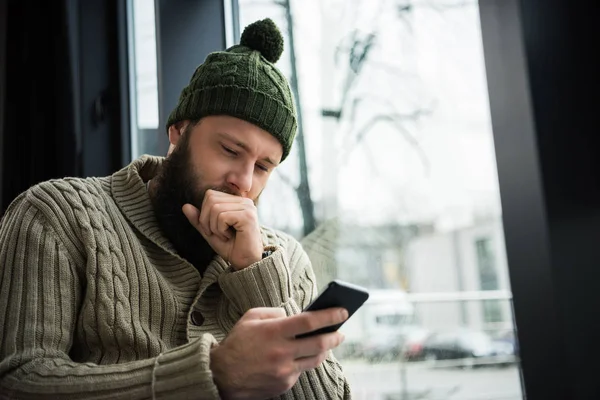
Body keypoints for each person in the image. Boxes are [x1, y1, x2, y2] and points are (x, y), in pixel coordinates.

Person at [0, 18, 352, 399]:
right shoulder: (57, 215)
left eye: (263, 167)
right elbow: (20, 381)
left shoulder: (285, 262)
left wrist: (256, 275)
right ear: (178, 131)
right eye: (230, 151)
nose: (244, 181)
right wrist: (215, 373)